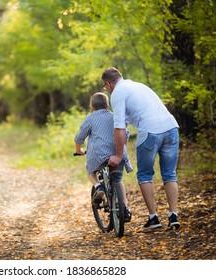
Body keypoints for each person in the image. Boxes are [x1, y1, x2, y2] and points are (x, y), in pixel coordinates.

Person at [101, 66, 180, 230]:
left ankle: (154, 218)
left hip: (151, 131)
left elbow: (119, 128)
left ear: (108, 84)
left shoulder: (117, 93)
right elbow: (129, 119)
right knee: (170, 174)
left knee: (145, 175)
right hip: (172, 128)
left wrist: (117, 155)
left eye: (105, 86)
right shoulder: (138, 86)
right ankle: (173, 216)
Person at [74, 92, 132, 222]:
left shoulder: (91, 118)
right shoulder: (115, 117)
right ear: (107, 106)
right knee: (117, 179)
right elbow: (126, 135)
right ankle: (125, 209)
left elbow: (80, 138)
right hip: (118, 153)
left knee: (90, 170)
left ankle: (98, 186)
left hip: (98, 155)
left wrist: (79, 151)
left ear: (92, 107)